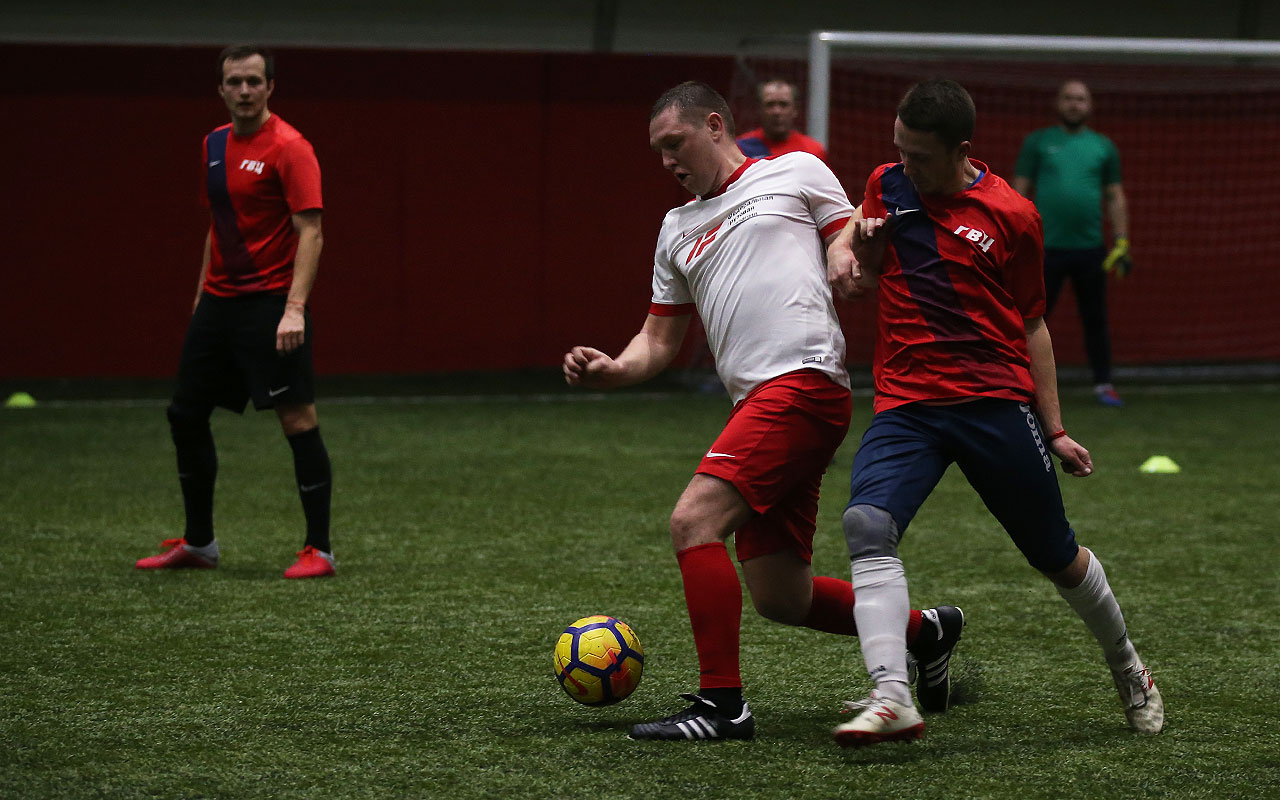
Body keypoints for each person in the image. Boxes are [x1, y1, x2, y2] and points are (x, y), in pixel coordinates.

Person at [563, 81, 964, 742]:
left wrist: (846, 262)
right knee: (782, 596)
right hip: (759, 405)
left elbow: (843, 241)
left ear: (714, 125)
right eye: (658, 150)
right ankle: (928, 631)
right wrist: (613, 368)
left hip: (804, 382)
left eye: (675, 142)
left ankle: (722, 707)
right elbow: (657, 340)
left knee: (693, 521)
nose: (666, 160)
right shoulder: (674, 229)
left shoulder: (795, 171)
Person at [826, 79, 1163, 747]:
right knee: (866, 523)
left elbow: (1033, 324)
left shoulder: (1012, 215)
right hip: (908, 403)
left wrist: (1055, 428)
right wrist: (856, 251)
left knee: (1056, 556)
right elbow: (865, 268)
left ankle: (1129, 668)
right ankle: (892, 695)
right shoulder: (887, 184)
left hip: (993, 403)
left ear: (962, 151)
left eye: (920, 157)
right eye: (900, 151)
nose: (906, 167)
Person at [136, 45, 335, 580]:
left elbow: (311, 231)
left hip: (270, 304)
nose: (244, 91)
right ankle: (199, 543)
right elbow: (219, 223)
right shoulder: (214, 144)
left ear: (270, 87)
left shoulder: (291, 147)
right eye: (234, 82)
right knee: (184, 414)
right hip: (218, 304)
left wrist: (294, 309)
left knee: (297, 420)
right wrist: (201, 294)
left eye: (253, 81)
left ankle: (319, 550)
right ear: (220, 89)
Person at [1014, 80, 1131, 407]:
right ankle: (1018, 384)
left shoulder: (1103, 147)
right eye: (1068, 98)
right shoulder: (1038, 142)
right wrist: (1014, 238)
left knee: (1096, 319)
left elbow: (1115, 196)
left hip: (1090, 249)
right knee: (1031, 320)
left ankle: (1104, 384)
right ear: (1058, 103)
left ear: (1089, 105)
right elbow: (1018, 190)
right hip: (1044, 249)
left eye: (1080, 99)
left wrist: (1122, 240)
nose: (1074, 104)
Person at [736, 78, 828, 161]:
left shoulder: (813, 151)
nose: (777, 111)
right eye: (770, 104)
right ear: (759, 109)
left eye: (783, 104)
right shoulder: (740, 148)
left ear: (795, 109)